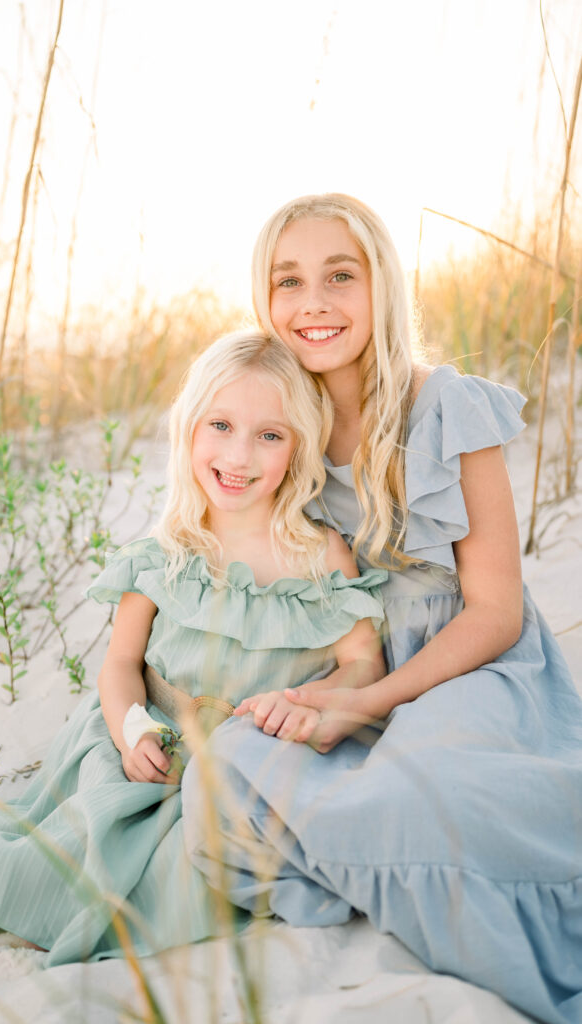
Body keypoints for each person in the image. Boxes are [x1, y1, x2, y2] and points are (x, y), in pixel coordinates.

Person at [181, 195, 582, 1024]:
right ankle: (368, 874)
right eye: (288, 281)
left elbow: (496, 610)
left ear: (380, 285)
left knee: (428, 792)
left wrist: (368, 702)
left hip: (470, 665)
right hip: (361, 659)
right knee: (227, 760)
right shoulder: (280, 418)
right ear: (265, 296)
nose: (314, 303)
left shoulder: (446, 405)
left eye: (339, 275)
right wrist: (327, 687)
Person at [0, 330, 386, 975]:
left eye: (269, 435)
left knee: (190, 866)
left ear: (298, 447)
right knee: (87, 835)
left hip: (249, 764)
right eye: (220, 425)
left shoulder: (320, 554)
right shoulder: (169, 552)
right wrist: (132, 732)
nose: (239, 456)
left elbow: (363, 663)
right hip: (147, 745)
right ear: (189, 431)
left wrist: (310, 705)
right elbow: (122, 664)